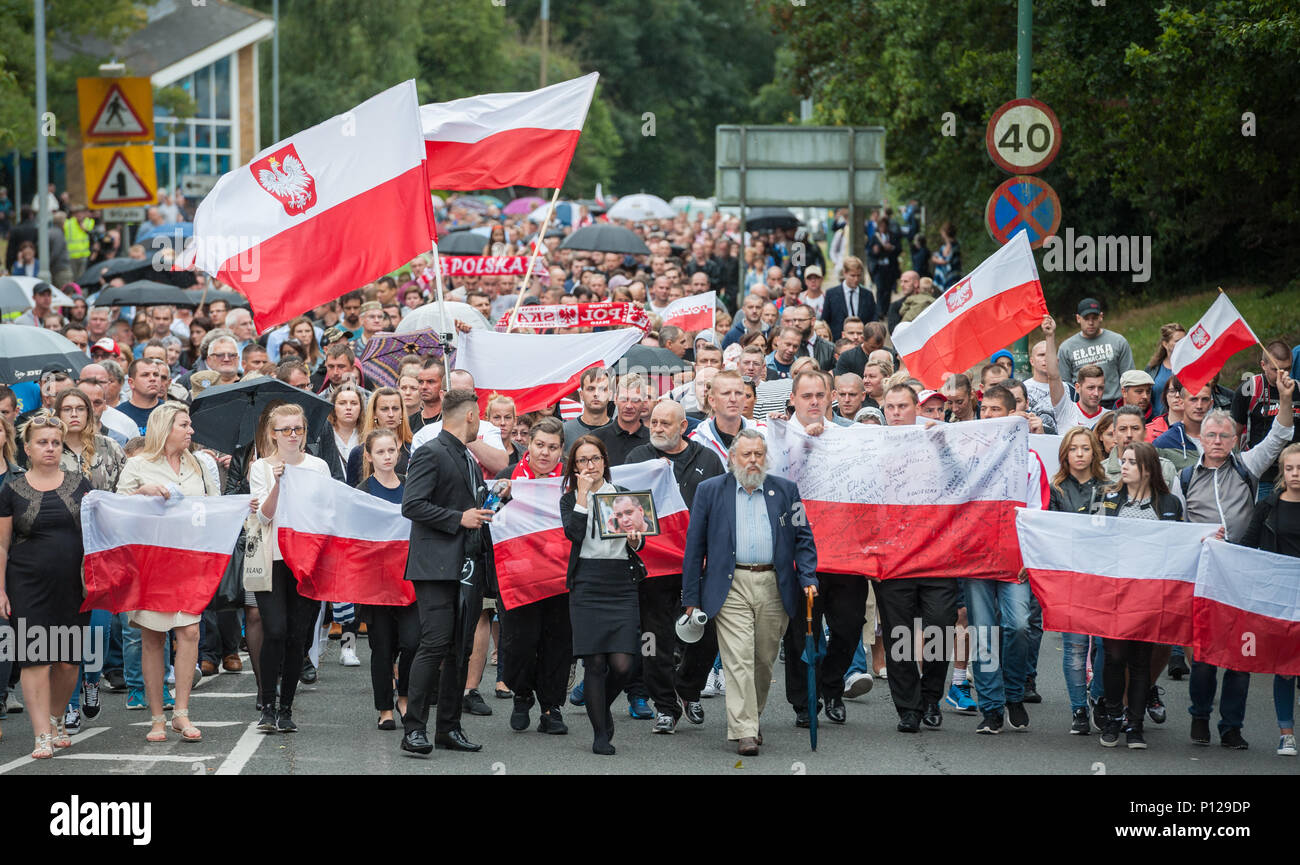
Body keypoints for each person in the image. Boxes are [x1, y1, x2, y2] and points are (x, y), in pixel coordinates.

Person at [682, 429, 818, 755]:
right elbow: (694, 547)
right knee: (739, 658)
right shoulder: (710, 491)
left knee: (763, 659)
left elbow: (804, 538)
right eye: (747, 455)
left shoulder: (786, 491)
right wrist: (690, 598)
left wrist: (809, 577)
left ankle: (751, 718)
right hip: (730, 585)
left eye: (758, 454)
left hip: (774, 584)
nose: (753, 460)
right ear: (733, 458)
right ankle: (744, 730)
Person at [1178, 385, 1294, 750]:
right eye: (1210, 435)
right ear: (1203, 438)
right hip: (1205, 576)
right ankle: (1199, 717)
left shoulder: (1247, 466)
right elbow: (1175, 527)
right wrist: (1198, 539)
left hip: (1244, 576)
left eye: (1223, 435)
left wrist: (1287, 399)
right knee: (1204, 656)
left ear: (1234, 439)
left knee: (1242, 654)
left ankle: (1231, 726)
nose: (1216, 440)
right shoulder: (1185, 477)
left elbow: (1280, 435)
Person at [114, 403, 226, 744]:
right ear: (165, 427)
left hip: (189, 560)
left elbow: (212, 505)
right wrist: (140, 494)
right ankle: (157, 717)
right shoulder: (138, 464)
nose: (191, 431)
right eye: (185, 425)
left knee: (190, 631)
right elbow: (116, 510)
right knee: (152, 637)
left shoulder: (199, 464)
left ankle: (181, 712)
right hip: (150, 562)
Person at [399, 388, 501, 756]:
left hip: (467, 564)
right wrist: (459, 518)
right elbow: (412, 505)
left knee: (460, 648)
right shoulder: (431, 451)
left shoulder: (467, 457)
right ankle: (414, 729)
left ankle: (449, 727)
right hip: (436, 567)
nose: (482, 425)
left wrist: (492, 501)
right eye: (481, 418)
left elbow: (466, 506)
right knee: (435, 644)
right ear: (470, 416)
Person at [625, 400, 725, 733]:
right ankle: (665, 707)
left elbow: (721, 508)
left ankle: (689, 688)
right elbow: (623, 508)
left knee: (707, 635)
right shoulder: (638, 459)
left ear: (683, 427)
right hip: (652, 567)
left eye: (665, 423)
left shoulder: (707, 459)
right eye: (653, 422)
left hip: (697, 566)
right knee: (655, 639)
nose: (657, 428)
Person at [0, 414, 93, 759]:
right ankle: (41, 733)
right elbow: (2, 544)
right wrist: (0, 590)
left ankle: (56, 717)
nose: (50, 448)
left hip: (74, 584)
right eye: (42, 442)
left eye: (55, 442)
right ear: (27, 448)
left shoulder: (80, 483)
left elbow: (100, 527)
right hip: (26, 583)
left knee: (68, 662)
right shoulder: (11, 489)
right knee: (34, 659)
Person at [249, 403, 333, 734]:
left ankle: (286, 707)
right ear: (273, 434)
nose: (293, 435)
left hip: (307, 560)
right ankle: (267, 704)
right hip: (272, 559)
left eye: (297, 429)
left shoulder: (318, 466)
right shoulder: (261, 468)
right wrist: (279, 483)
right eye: (285, 430)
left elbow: (327, 511)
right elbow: (264, 516)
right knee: (276, 630)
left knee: (299, 636)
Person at [560, 435, 645, 755]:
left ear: (605, 462)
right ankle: (600, 732)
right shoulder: (570, 500)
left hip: (620, 582)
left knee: (624, 664)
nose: (589, 465)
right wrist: (582, 497)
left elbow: (640, 541)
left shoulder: (622, 495)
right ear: (574, 466)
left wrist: (636, 539)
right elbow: (574, 533)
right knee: (594, 663)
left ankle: (600, 705)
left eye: (594, 459)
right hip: (587, 584)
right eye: (582, 460)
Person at [1097, 441, 1185, 749]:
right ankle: (1112, 719)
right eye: (1123, 461)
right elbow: (1092, 540)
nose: (1123, 466)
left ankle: (1135, 725)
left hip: (1149, 595)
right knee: (1114, 656)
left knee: (1139, 660)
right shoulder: (1109, 500)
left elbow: (1181, 544)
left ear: (1147, 469)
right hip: (1115, 593)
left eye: (1131, 462)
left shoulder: (1170, 504)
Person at [495, 417, 570, 734]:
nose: (545, 453)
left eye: (553, 447)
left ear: (561, 450)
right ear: (528, 444)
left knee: (558, 644)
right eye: (540, 445)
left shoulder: (571, 481)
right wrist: (503, 498)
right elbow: (487, 520)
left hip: (560, 577)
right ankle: (522, 693)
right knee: (519, 643)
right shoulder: (507, 477)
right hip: (517, 577)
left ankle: (551, 707)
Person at [355, 428, 420, 731]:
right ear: (368, 456)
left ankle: (404, 695)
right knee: (381, 647)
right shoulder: (361, 492)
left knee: (412, 642)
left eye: (391, 450)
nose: (387, 456)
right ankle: (385, 708)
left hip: (409, 579)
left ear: (399, 452)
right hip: (376, 583)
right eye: (380, 452)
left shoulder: (411, 486)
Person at [1238, 443, 1300, 756]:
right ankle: (1286, 733)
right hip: (1281, 598)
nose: (1295, 474)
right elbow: (1248, 545)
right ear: (1281, 472)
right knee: (1286, 667)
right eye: (1289, 468)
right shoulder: (1269, 506)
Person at [1048, 427, 1108, 734]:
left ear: (1094, 452)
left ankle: (1097, 696)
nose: (1080, 454)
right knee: (1074, 647)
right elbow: (1051, 532)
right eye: (1074, 449)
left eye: (1086, 448)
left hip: (1100, 578)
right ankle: (1078, 709)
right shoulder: (1056, 488)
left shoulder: (1108, 488)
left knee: (1103, 645)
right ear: (1065, 454)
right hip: (1069, 577)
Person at [1231, 340, 1300, 501]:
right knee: (1262, 521)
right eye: (1275, 369)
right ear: (1263, 365)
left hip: (1294, 472)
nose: (1282, 375)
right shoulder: (1249, 389)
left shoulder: (1297, 389)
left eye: (1287, 369)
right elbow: (1235, 431)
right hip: (1262, 472)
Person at [1056, 299, 1134, 408]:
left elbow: (1129, 377)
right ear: (1078, 318)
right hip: (1082, 404)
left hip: (1114, 403)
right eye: (1086, 318)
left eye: (1094, 318)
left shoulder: (1118, 341)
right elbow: (1064, 385)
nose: (1091, 323)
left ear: (1101, 317)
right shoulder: (1066, 348)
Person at [346, 387, 412, 485]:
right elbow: (351, 495)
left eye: (395, 408)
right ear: (374, 414)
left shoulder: (413, 447)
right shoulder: (359, 453)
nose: (391, 414)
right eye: (384, 409)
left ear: (402, 413)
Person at [820, 256, 875, 340]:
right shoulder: (831, 294)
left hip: (861, 341)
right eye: (852, 276)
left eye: (858, 275)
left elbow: (873, 320)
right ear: (845, 273)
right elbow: (825, 320)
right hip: (838, 341)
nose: (856, 279)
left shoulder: (867, 295)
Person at [1144, 323, 1185, 417]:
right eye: (1178, 341)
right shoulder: (1152, 368)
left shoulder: (1191, 366)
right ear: (1165, 344)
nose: (1182, 344)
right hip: (1157, 422)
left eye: (1184, 341)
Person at [328, 384, 364, 479]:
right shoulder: (326, 434)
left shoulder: (368, 435)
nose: (348, 407)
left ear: (361, 408)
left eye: (354, 403)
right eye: (342, 403)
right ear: (334, 407)